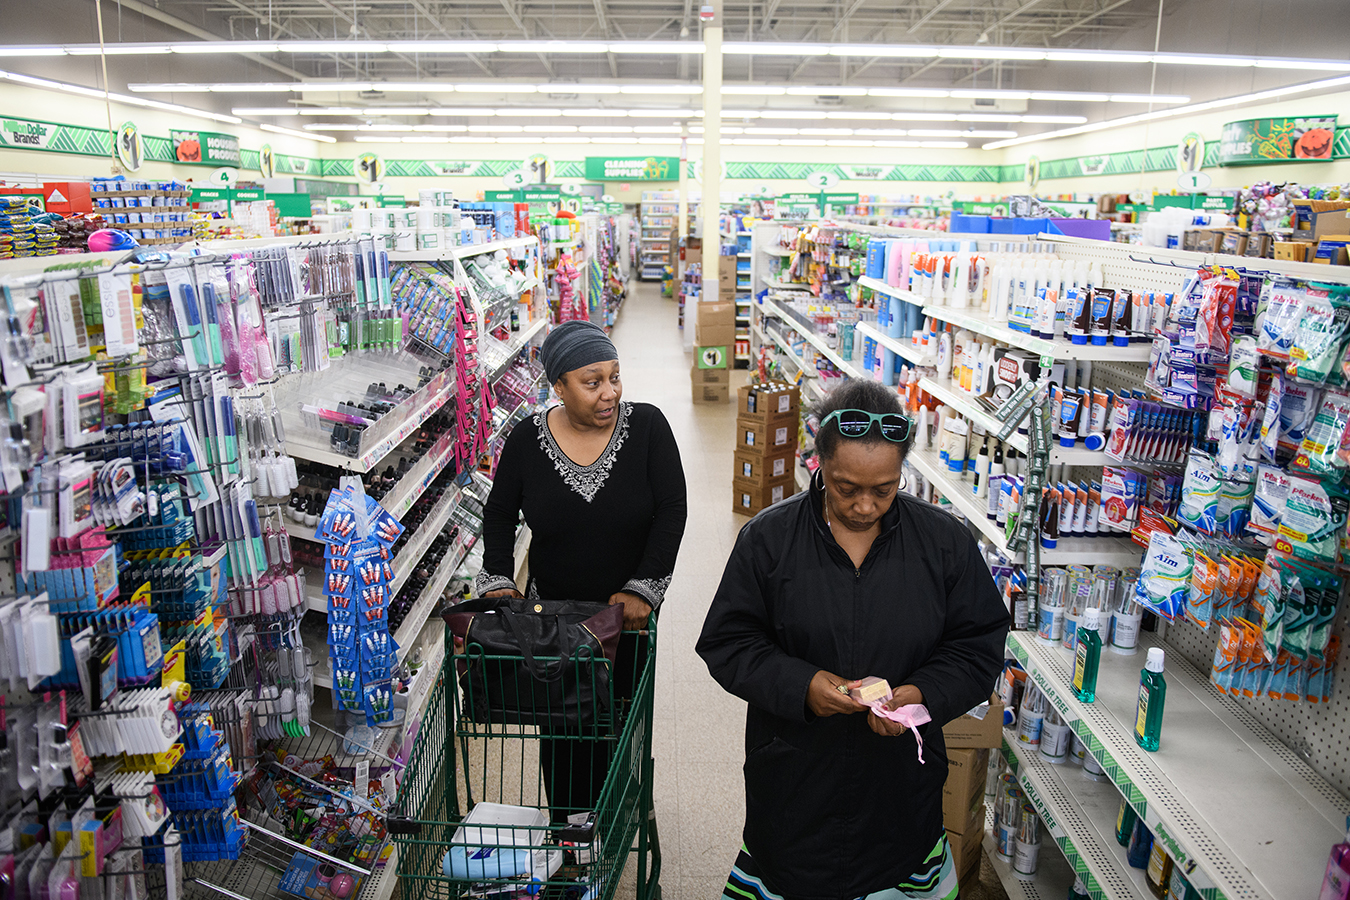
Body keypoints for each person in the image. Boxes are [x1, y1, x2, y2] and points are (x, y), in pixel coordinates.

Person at [697, 378, 1009, 900]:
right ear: (819, 463)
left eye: (884, 490)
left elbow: (976, 644)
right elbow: (729, 642)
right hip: (796, 781)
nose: (865, 506)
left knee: (896, 865)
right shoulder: (770, 539)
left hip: (899, 791)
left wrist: (922, 694)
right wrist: (802, 685)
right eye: (846, 488)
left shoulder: (943, 543)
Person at [476, 319, 687, 822]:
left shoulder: (648, 428)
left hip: (626, 619)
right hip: (553, 621)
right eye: (593, 383)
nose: (609, 392)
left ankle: (623, 802)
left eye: (615, 377)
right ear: (559, 386)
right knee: (563, 722)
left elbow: (672, 510)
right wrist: (498, 579)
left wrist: (644, 588)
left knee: (621, 716)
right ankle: (570, 821)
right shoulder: (527, 441)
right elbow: (500, 513)